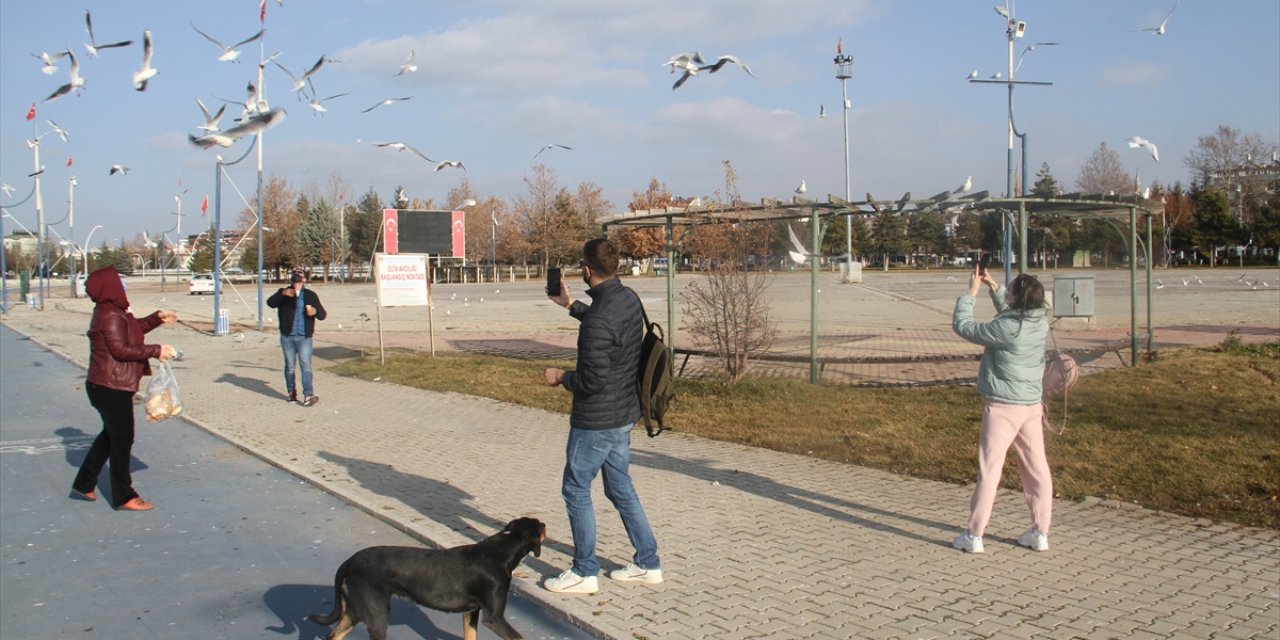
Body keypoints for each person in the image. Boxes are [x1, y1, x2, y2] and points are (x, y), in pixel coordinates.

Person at [542, 239, 662, 594]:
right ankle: (648, 563)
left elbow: (592, 380)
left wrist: (561, 377)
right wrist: (569, 305)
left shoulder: (599, 319)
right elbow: (605, 326)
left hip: (597, 422)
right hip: (624, 413)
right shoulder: (627, 299)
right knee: (620, 488)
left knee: (576, 489)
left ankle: (584, 571)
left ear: (587, 270)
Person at [951, 269, 1053, 553]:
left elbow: (965, 327)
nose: (1006, 292)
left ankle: (974, 535)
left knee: (990, 469)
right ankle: (1039, 531)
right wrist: (994, 287)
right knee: (1037, 469)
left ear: (1017, 297)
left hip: (1003, 407)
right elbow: (1012, 316)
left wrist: (970, 294)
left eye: (1009, 290)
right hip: (1031, 405)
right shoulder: (1039, 322)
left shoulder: (1005, 329)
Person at [71, 266, 178, 511]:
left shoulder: (114, 311)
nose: (123, 285)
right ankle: (124, 496)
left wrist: (156, 318)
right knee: (122, 440)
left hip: (109, 385)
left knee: (110, 436)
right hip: (110, 387)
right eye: (119, 282)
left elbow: (132, 332)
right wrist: (156, 350)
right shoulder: (109, 314)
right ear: (110, 286)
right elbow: (120, 350)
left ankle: (84, 482)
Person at [267, 269, 327, 406]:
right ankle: (291, 393)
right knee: (290, 367)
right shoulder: (284, 293)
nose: (296, 285)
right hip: (287, 336)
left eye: (299, 281)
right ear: (291, 281)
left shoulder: (311, 295)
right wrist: (282, 294)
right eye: (294, 281)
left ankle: (308, 395)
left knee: (305, 365)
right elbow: (270, 303)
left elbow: (322, 315)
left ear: (304, 281)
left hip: (304, 337)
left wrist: (314, 311)